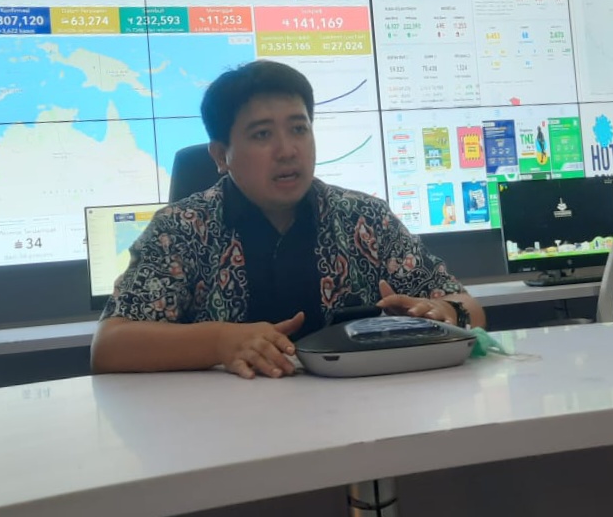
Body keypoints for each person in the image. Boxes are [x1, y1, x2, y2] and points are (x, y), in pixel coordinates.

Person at [92, 60, 485, 379]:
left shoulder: (365, 218)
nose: (287, 150)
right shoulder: (180, 229)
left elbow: (467, 306)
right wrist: (221, 342)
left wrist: (446, 314)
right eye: (262, 135)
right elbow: (110, 346)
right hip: (222, 427)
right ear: (220, 155)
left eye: (299, 129)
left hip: (358, 418)